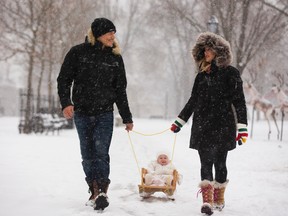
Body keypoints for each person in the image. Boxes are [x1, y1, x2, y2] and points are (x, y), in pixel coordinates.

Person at [57, 17, 134, 211]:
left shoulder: (115, 57)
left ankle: (101, 190)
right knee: (87, 154)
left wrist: (127, 117)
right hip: (82, 113)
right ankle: (92, 188)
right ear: (98, 34)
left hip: (104, 114)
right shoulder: (77, 53)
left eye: (113, 33)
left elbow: (120, 90)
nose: (112, 36)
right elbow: (64, 79)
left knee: (101, 153)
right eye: (109, 32)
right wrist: (66, 103)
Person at [170, 32, 248, 215]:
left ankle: (219, 198)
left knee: (220, 164)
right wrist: (180, 121)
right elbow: (193, 100)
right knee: (205, 163)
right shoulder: (201, 75)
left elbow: (239, 101)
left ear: (219, 51)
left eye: (210, 49)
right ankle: (207, 201)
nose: (206, 52)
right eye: (204, 49)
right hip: (202, 125)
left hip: (223, 125)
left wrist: (242, 127)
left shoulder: (231, 73)